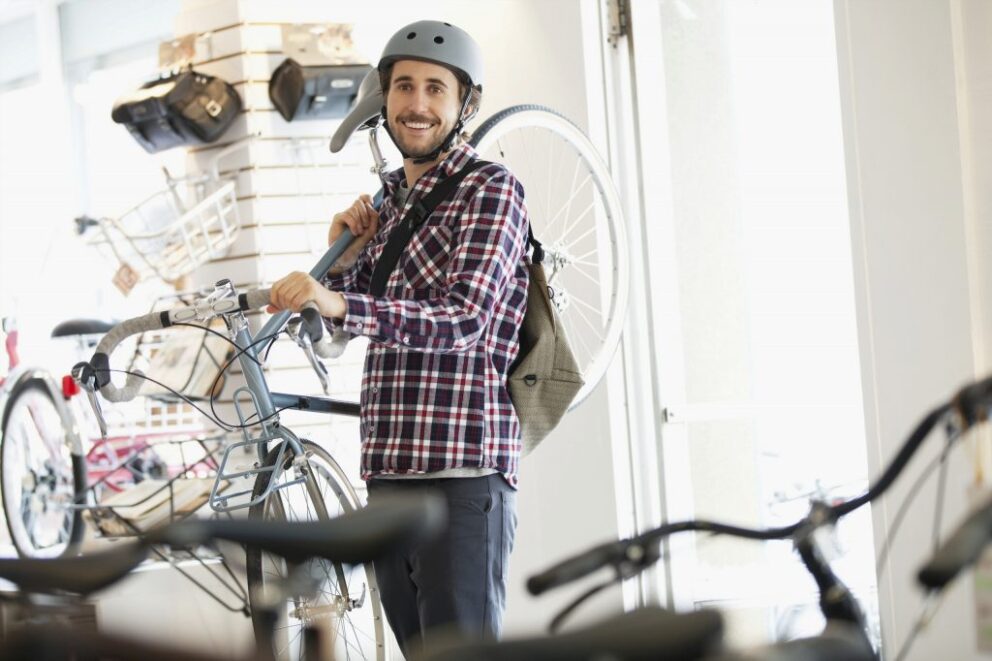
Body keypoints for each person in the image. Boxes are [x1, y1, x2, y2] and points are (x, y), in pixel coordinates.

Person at [267, 20, 530, 657]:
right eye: (404, 86)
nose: (417, 103)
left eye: (436, 89)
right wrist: (342, 261)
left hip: (461, 474)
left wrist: (339, 299)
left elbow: (464, 319)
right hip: (389, 473)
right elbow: (346, 326)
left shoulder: (491, 191)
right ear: (384, 99)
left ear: (465, 104)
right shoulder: (388, 203)